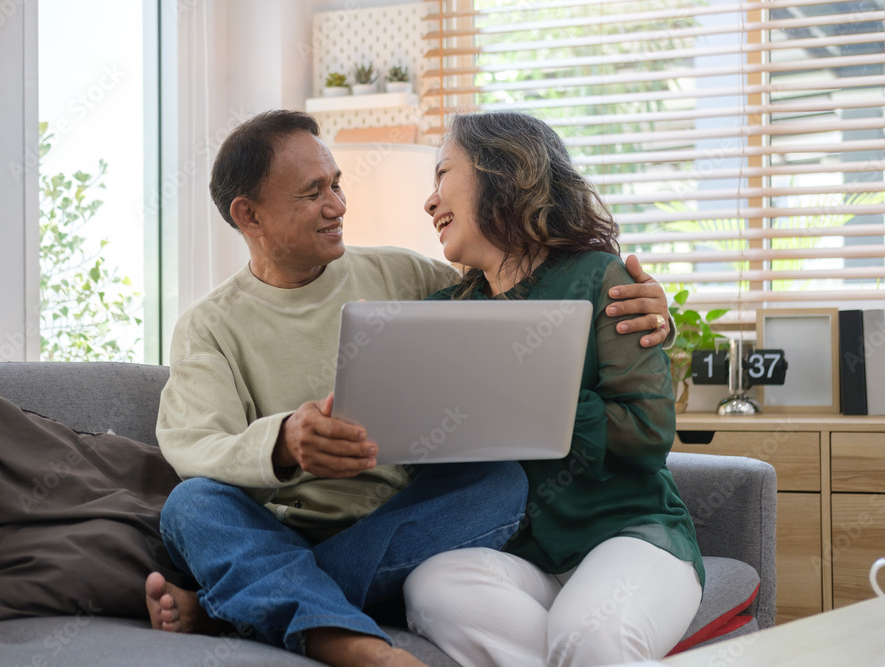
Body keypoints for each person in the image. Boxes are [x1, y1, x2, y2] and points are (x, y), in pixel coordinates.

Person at [144, 109, 675, 667]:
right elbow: (192, 444)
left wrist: (651, 315)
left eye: (337, 185)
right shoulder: (209, 326)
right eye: (312, 193)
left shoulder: (405, 276)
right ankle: (350, 640)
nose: (338, 206)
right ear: (248, 214)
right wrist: (284, 442)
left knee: (500, 482)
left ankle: (238, 603)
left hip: (406, 526)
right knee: (192, 504)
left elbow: (517, 291)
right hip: (283, 535)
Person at [402, 111, 704, 667]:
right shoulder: (443, 316)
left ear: (503, 172)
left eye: (443, 174)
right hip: (524, 558)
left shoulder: (601, 279)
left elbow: (647, 434)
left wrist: (532, 390)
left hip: (628, 535)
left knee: (588, 633)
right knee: (431, 586)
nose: (430, 200)